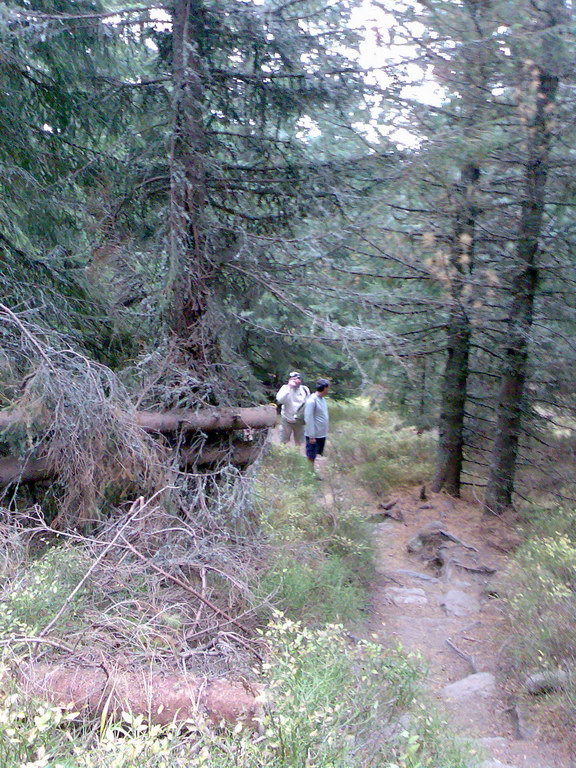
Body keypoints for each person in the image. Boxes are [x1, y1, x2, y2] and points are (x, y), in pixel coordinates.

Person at [276, 371, 310, 446]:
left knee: (299, 442)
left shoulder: (305, 389)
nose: (296, 381)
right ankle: (282, 455)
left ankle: (297, 455)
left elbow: (308, 403)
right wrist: (289, 387)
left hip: (300, 421)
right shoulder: (285, 388)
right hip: (287, 419)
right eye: (293, 379)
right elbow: (280, 400)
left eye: (297, 379)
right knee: (283, 441)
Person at [304, 378, 330, 470]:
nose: (328, 390)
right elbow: (308, 418)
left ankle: (312, 471)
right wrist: (311, 436)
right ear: (324, 388)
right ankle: (309, 473)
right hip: (313, 435)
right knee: (311, 455)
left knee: (315, 454)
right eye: (328, 388)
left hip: (321, 434)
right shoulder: (312, 400)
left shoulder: (322, 399)